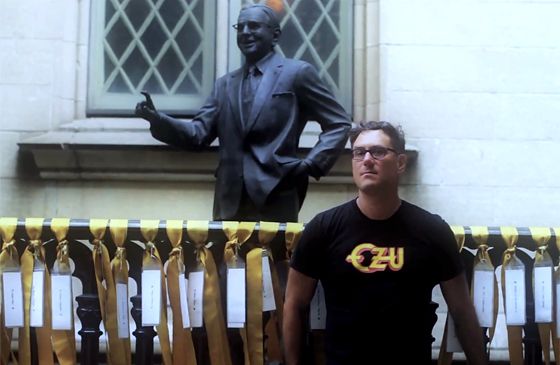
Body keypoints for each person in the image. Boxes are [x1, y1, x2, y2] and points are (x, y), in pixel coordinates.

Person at [283, 121, 487, 364]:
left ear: (401, 162)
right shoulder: (323, 228)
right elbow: (294, 304)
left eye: (378, 152)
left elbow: (462, 311)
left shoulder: (432, 230)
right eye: (359, 153)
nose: (367, 159)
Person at [135, 4, 351, 222]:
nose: (246, 32)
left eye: (254, 26)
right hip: (229, 198)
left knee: (275, 257)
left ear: (275, 35)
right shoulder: (224, 85)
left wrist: (311, 164)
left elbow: (339, 122)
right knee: (225, 257)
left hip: (277, 191)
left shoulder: (297, 73)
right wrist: (158, 119)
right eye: (241, 27)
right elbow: (198, 134)